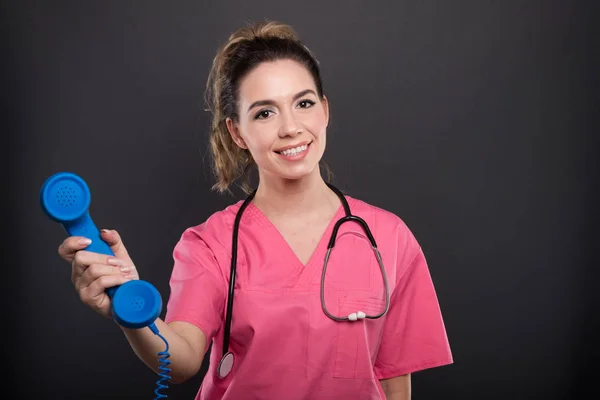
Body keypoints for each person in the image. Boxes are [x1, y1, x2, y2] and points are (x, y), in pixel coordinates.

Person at [57, 20, 453, 400]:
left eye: (303, 103)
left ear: (325, 110)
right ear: (237, 132)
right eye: (264, 112)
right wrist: (129, 303)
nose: (290, 127)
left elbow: (393, 380)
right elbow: (180, 360)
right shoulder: (209, 245)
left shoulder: (388, 236)